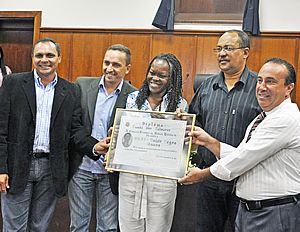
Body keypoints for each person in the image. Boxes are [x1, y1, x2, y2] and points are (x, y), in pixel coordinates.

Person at [180, 57, 300, 231]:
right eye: (259, 80)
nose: (262, 87)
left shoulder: (285, 119)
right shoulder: (264, 118)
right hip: (253, 211)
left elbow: (242, 160)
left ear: (289, 88)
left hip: (274, 213)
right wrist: (209, 142)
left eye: (271, 82)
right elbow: (242, 154)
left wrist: (201, 175)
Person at [0, 38, 98, 231]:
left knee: (40, 227)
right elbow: (1, 128)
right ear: (32, 58)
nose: (44, 60)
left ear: (59, 58)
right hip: (17, 167)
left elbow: (75, 130)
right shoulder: (13, 83)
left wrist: (94, 146)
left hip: (50, 170)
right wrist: (1, 168)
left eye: (50, 55)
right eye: (39, 55)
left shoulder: (70, 90)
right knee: (14, 227)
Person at [188, 29, 261, 231]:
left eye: (228, 48)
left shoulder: (260, 88)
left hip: (245, 178)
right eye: (218, 49)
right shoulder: (206, 86)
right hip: (209, 177)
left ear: (245, 52)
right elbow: (195, 122)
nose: (221, 53)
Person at [68, 44, 136, 232]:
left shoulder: (135, 96)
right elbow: (74, 125)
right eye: (106, 62)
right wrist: (93, 147)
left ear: (127, 69)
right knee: (77, 226)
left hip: (112, 172)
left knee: (107, 228)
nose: (109, 68)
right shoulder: (82, 85)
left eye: (116, 64)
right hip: (81, 167)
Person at [118, 53, 188, 232]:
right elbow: (125, 135)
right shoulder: (132, 99)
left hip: (162, 180)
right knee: (128, 227)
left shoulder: (180, 106)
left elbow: (181, 146)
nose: (155, 78)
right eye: (152, 72)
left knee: (158, 228)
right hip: (130, 176)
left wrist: (179, 125)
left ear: (172, 79)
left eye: (162, 75)